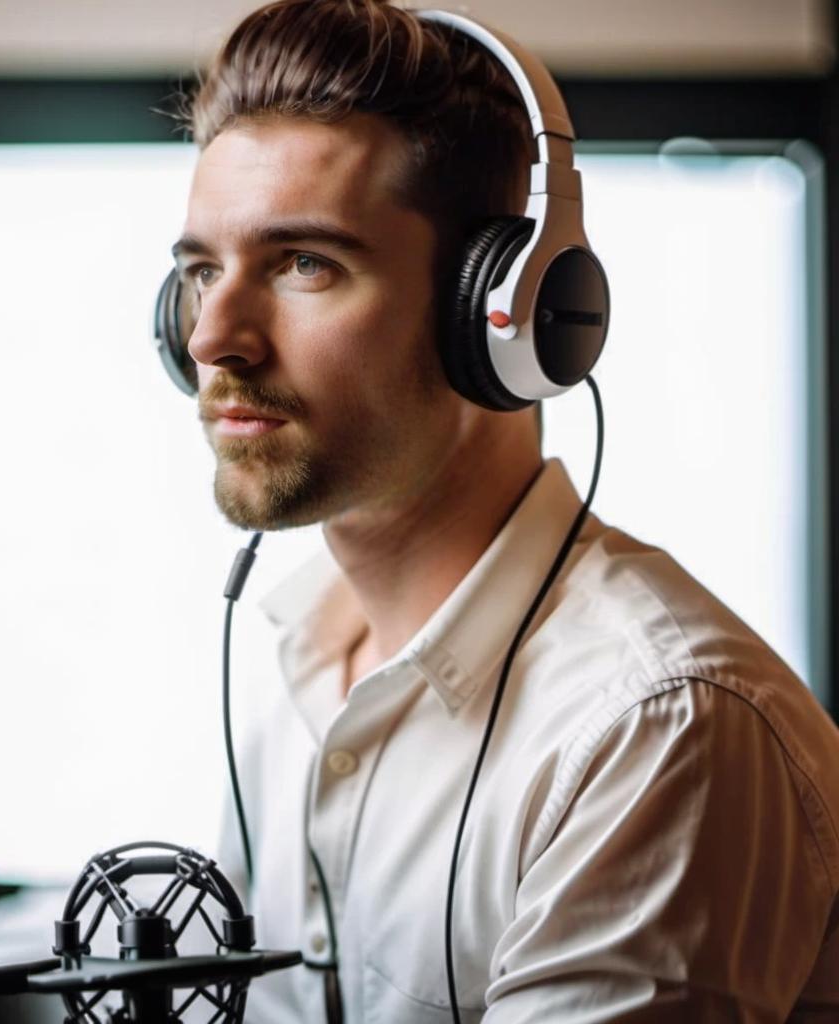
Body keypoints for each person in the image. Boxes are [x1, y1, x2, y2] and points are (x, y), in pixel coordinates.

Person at [161, 0, 839, 1019]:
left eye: (304, 263)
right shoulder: (292, 671)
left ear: (505, 315)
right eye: (201, 271)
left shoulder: (657, 729)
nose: (214, 335)